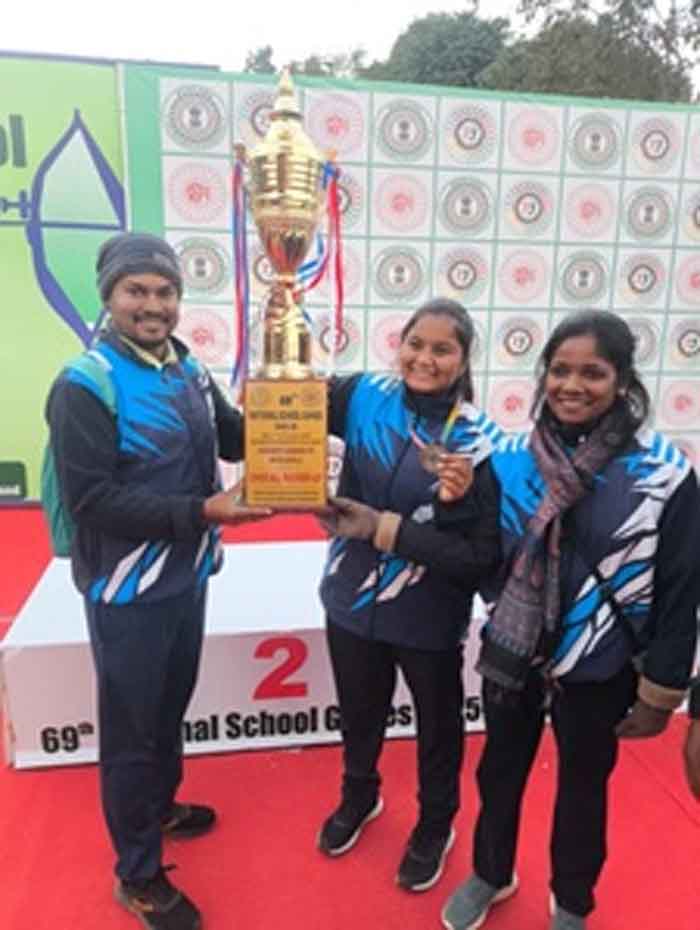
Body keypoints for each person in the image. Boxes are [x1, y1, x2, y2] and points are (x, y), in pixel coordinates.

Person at [434, 309, 700, 930]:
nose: (572, 386)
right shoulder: (506, 460)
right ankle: (491, 874)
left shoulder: (665, 473)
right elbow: (479, 556)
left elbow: (682, 589)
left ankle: (573, 900)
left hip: (602, 665)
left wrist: (661, 691)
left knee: (584, 786)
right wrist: (452, 507)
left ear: (623, 380)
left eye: (593, 373)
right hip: (514, 656)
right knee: (499, 772)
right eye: (560, 371)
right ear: (543, 375)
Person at [45, 232, 271, 930]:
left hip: (187, 575)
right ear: (108, 296)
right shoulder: (86, 384)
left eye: (165, 291)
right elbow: (92, 501)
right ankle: (137, 874)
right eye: (136, 290)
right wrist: (202, 512)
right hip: (127, 592)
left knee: (170, 707)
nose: (152, 304)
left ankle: (160, 806)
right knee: (131, 733)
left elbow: (232, 437)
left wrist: (292, 410)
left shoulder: (186, 365)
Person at [316, 297, 503, 893]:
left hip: (428, 614)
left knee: (437, 728)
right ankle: (359, 794)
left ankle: (435, 823)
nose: (424, 358)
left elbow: (478, 557)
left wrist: (443, 510)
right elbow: (288, 414)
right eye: (415, 344)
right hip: (350, 598)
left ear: (463, 360)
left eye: (442, 349)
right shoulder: (363, 395)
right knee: (359, 711)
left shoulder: (478, 441)